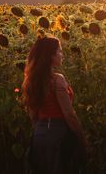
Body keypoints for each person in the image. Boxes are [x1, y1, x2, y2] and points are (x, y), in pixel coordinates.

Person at [21, 35, 87, 174]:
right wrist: (81, 138)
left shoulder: (31, 81)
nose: (62, 55)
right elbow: (69, 115)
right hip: (58, 134)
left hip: (39, 135)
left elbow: (33, 114)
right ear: (50, 56)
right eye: (59, 51)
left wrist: (40, 130)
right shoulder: (57, 80)